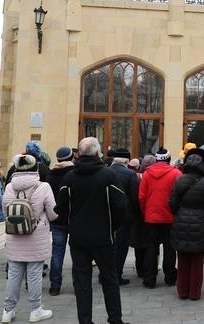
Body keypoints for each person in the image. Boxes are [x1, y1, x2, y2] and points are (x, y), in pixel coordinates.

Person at [54, 137, 128, 324]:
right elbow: (121, 205)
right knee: (110, 280)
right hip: (103, 237)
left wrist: (71, 224)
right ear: (97, 152)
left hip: (78, 238)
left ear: (78, 154)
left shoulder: (69, 177)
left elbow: (60, 208)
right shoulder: (108, 176)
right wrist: (113, 227)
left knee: (82, 283)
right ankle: (115, 320)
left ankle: (85, 321)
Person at [1, 154, 57, 323]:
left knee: (14, 274)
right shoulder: (43, 186)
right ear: (36, 168)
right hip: (36, 236)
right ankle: (35, 310)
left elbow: (6, 212)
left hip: (15, 235)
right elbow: (53, 214)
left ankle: (7, 311)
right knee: (34, 275)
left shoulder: (10, 187)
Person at [168, 148, 204, 300]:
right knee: (197, 261)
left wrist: (179, 214)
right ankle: (194, 293)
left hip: (180, 222)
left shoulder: (178, 180)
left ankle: (182, 291)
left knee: (182, 259)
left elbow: (172, 203)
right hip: (200, 223)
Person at [138, 147, 182, 289]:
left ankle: (149, 280)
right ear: (169, 160)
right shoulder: (176, 174)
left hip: (151, 218)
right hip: (169, 217)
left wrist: (146, 212)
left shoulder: (146, 174)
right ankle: (170, 278)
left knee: (151, 248)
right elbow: (179, 197)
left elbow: (141, 197)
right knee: (170, 249)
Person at [46, 146, 75, 296]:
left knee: (57, 252)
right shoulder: (74, 174)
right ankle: (79, 285)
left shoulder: (51, 175)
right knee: (78, 253)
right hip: (73, 218)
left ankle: (55, 286)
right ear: (71, 158)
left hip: (56, 218)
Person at [110, 149, 138, 286]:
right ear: (127, 161)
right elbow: (134, 197)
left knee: (107, 246)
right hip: (124, 216)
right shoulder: (130, 174)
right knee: (121, 247)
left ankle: (106, 273)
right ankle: (116, 275)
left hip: (107, 216)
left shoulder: (105, 171)